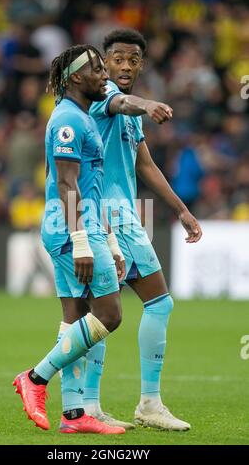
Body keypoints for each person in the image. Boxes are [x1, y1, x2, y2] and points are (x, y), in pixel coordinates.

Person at [58, 29, 203, 431]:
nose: (124, 66)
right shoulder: (104, 99)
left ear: (141, 64)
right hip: (112, 215)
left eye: (132, 59)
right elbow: (124, 101)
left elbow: (146, 166)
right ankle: (150, 402)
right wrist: (149, 103)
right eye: (116, 59)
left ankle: (88, 405)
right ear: (103, 65)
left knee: (100, 313)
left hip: (120, 215)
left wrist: (182, 211)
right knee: (159, 303)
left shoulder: (127, 116)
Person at [13, 44, 127, 435]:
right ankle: (35, 378)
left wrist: (109, 242)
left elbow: (93, 187)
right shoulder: (67, 120)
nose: (105, 75)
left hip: (84, 225)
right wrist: (81, 240)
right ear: (75, 77)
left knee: (76, 317)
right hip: (71, 228)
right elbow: (66, 183)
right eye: (97, 69)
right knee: (109, 315)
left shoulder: (83, 118)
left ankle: (75, 416)